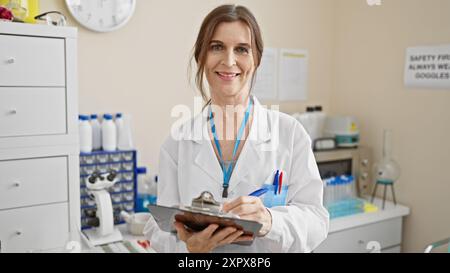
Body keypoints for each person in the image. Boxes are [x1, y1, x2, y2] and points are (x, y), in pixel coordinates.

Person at [144, 4, 329, 253]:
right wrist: (189, 249)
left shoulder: (290, 134)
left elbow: (316, 221)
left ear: (257, 59)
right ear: (201, 56)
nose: (229, 61)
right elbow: (159, 229)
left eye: (242, 49)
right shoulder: (177, 143)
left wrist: (270, 221)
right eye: (216, 47)